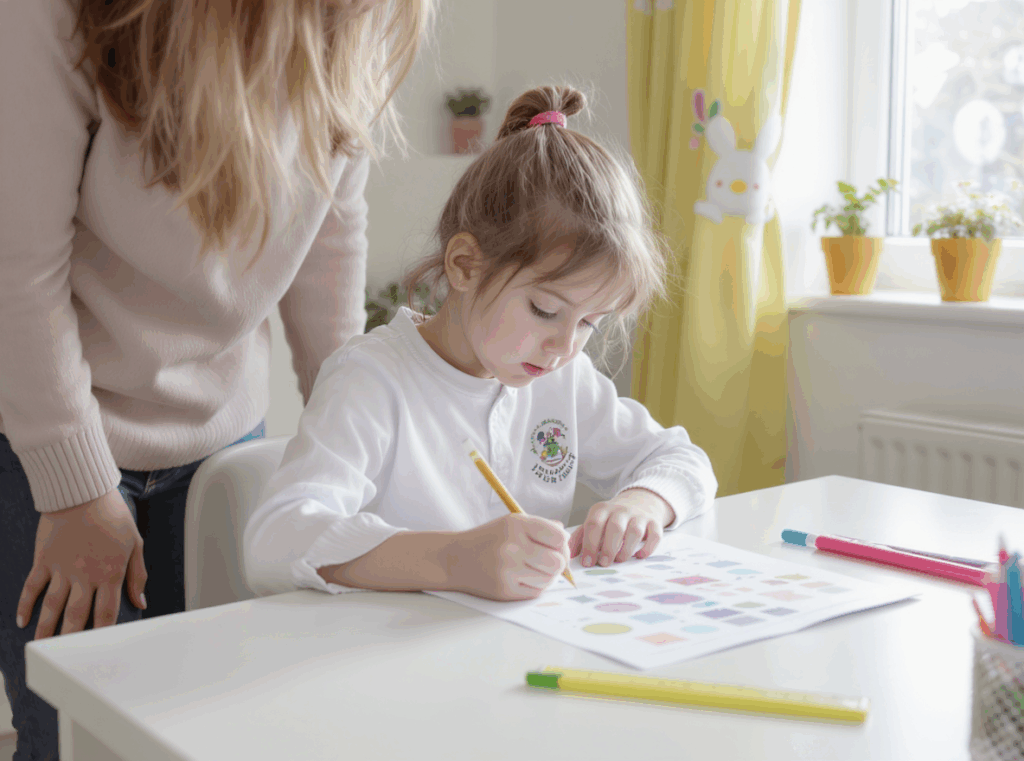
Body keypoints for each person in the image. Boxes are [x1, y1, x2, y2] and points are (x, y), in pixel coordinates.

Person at [0, 0, 431, 757]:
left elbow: (329, 237)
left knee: (225, 726)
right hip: (48, 441)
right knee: (85, 740)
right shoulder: (55, 16)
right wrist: (75, 489)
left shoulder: (357, 22)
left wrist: (358, 437)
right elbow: (17, 271)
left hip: (223, 438)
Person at [244, 85, 719, 603]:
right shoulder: (371, 380)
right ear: (465, 265)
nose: (565, 345)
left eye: (591, 324)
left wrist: (642, 504)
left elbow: (682, 460)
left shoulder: (560, 377)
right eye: (545, 310)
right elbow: (274, 543)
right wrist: (452, 560)